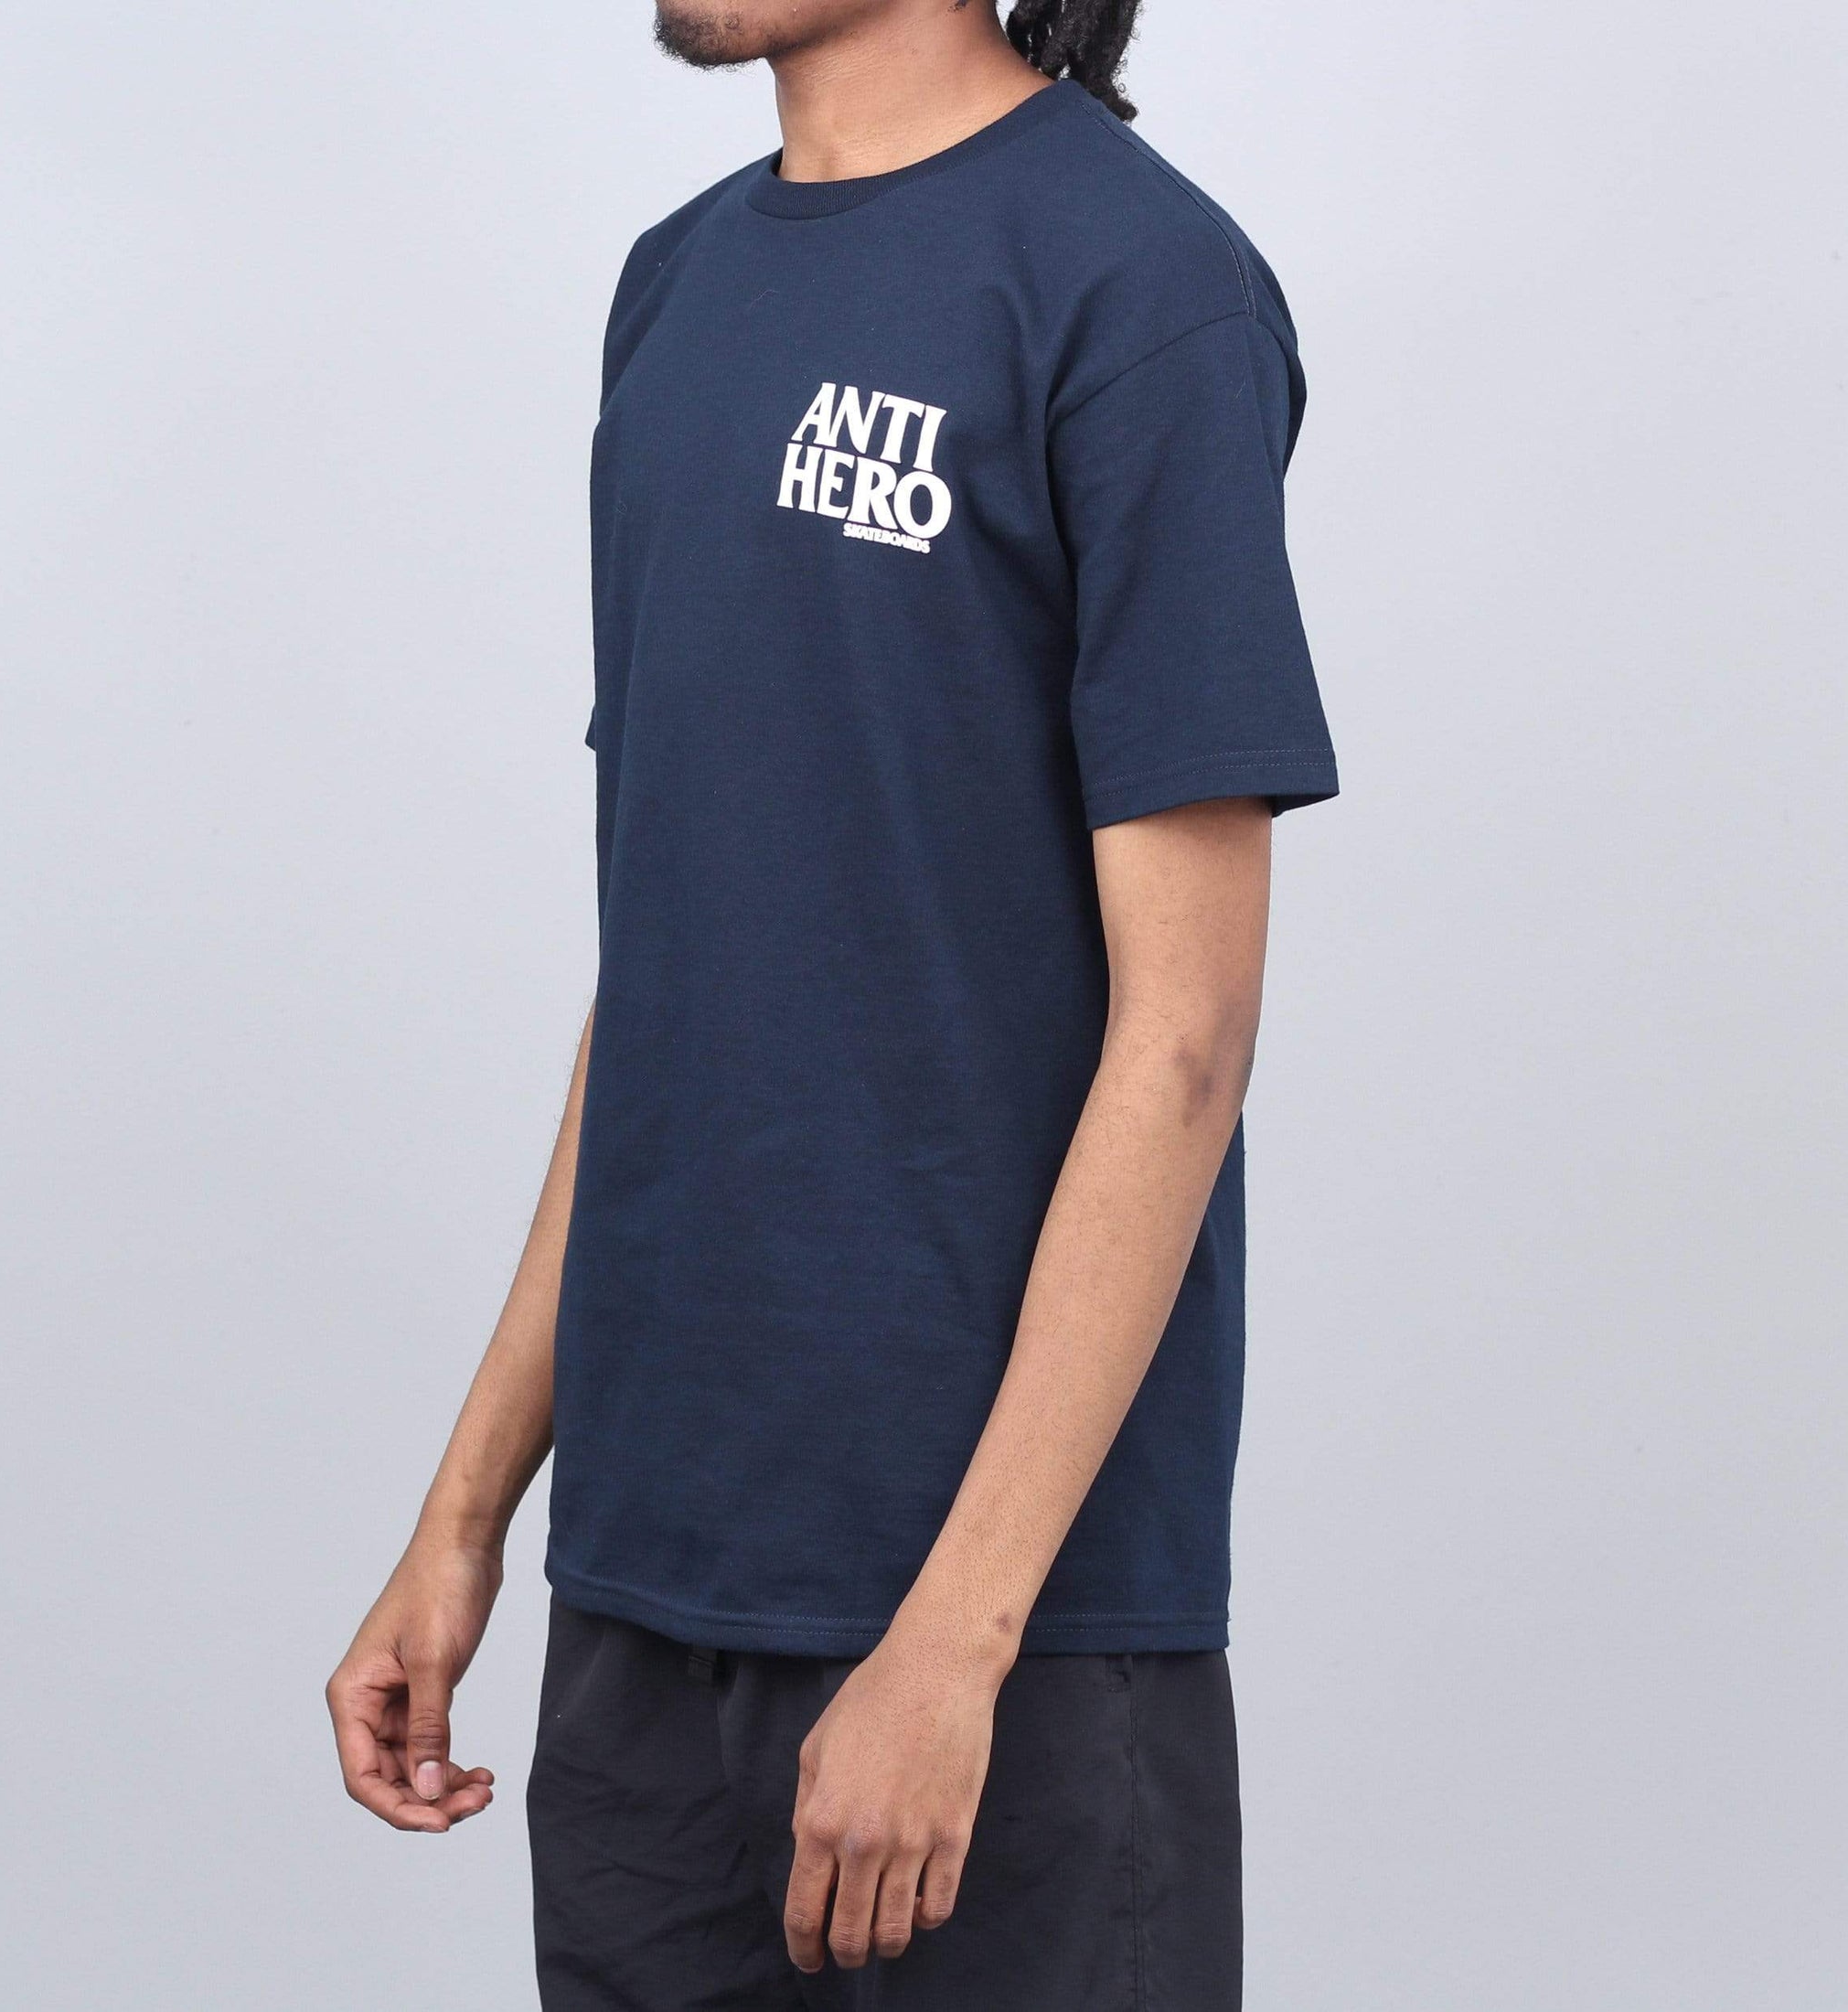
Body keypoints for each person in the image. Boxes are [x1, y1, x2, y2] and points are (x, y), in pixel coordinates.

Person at [326, 1, 1336, 2003]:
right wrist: (466, 1514)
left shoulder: (1145, 285)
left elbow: (1186, 1037)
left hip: (1003, 1636)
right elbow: (675, 966)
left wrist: (951, 1644)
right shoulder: (675, 291)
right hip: (646, 1601)